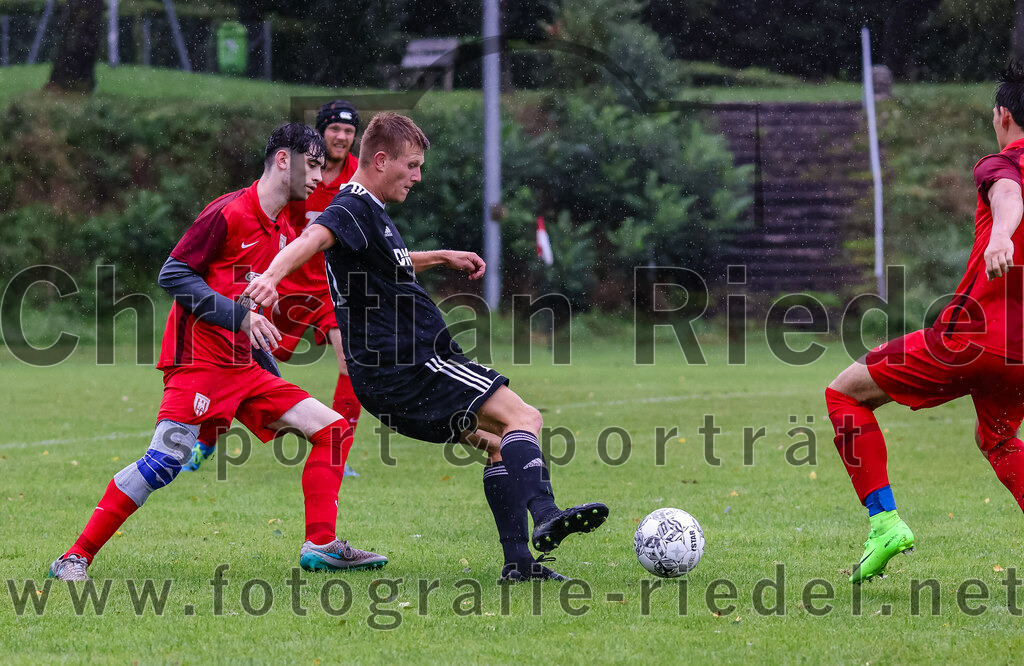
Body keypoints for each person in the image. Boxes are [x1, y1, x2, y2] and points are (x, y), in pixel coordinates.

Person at [243, 112, 609, 582]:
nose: (417, 177)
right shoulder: (351, 205)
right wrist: (270, 277)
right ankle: (546, 513)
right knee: (525, 418)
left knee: (499, 446)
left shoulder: (369, 213)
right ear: (380, 160)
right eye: (412, 165)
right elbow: (313, 238)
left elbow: (387, 264)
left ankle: (519, 564)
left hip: (383, 380)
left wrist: (439, 256)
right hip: (414, 362)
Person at [48, 123, 387, 582]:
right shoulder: (229, 213)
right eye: (312, 164)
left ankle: (321, 545)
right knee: (165, 460)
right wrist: (241, 318)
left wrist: (268, 368)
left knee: (330, 429)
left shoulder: (283, 229)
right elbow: (174, 275)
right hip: (198, 365)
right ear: (283, 160)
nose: (319, 175)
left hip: (244, 368)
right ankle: (75, 557)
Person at [826, 63, 1024, 584]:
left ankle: (885, 522)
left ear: (1003, 115)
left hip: (972, 340)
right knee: (1000, 442)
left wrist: (1003, 236)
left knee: (844, 394)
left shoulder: (1000, 163)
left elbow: (1008, 195)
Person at [185, 101, 364, 476]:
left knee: (349, 357)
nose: (343, 137)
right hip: (285, 284)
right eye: (335, 129)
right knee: (247, 364)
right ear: (320, 135)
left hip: (329, 289)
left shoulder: (355, 177)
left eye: (349, 131)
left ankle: (338, 452)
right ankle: (207, 437)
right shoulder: (295, 181)